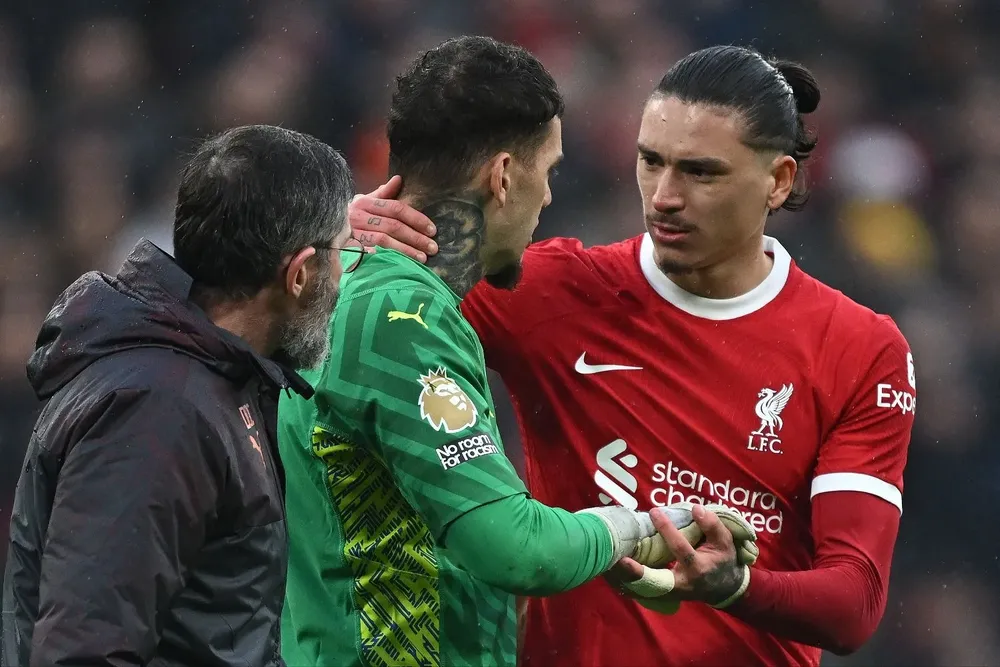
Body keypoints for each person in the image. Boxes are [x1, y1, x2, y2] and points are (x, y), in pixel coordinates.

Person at [350, 45, 916, 667]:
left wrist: (737, 586)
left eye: (701, 172)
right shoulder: (546, 290)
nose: (665, 196)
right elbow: (366, 311)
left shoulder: (861, 348)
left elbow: (852, 604)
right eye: (651, 162)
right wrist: (351, 236)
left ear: (778, 181)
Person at [276, 36, 741, 667]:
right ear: (501, 176)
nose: (548, 196)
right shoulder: (401, 317)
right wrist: (659, 526)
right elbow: (515, 549)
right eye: (546, 171)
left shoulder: (339, 279)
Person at [1, 124, 358, 667]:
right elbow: (86, 649)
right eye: (340, 251)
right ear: (300, 273)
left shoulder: (203, 379)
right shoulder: (159, 410)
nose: (344, 272)